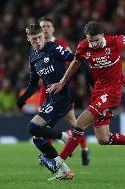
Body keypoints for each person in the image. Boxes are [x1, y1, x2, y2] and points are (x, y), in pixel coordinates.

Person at [39, 21, 125, 176]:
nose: (94, 44)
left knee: (80, 122)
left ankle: (57, 163)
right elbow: (76, 63)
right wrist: (62, 82)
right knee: (103, 139)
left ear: (102, 36)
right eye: (91, 40)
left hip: (112, 92)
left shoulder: (114, 42)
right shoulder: (84, 46)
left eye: (97, 40)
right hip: (98, 91)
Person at [17, 23, 75, 180]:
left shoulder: (54, 48)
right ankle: (64, 170)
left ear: (43, 35)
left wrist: (63, 82)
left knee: (32, 127)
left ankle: (65, 137)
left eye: (39, 37)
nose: (38, 41)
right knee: (38, 138)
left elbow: (76, 59)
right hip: (52, 98)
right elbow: (34, 83)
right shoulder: (33, 57)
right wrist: (24, 98)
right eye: (34, 39)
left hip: (62, 97)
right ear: (28, 39)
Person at [38, 17, 89, 166]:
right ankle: (47, 153)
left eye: (48, 26)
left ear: (53, 29)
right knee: (42, 124)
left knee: (73, 121)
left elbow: (74, 63)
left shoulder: (61, 45)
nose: (45, 29)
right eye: (42, 27)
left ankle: (85, 149)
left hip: (62, 89)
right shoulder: (37, 46)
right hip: (45, 90)